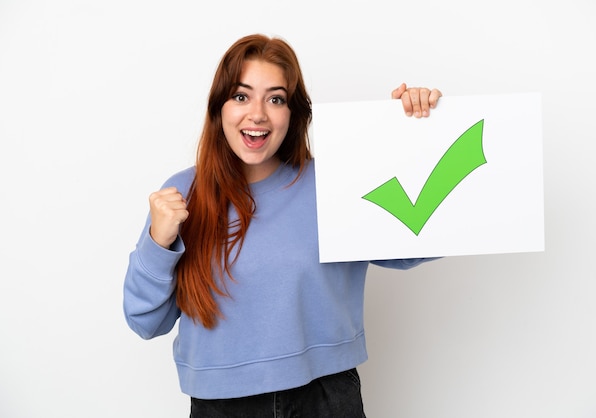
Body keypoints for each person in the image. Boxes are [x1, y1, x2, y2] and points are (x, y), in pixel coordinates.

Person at [123, 33, 442, 417]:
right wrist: (159, 243)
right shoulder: (182, 194)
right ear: (218, 107)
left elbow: (419, 243)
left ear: (292, 114)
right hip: (220, 405)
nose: (257, 113)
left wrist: (415, 133)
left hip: (324, 396)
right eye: (241, 96)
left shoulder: (335, 184)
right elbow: (145, 321)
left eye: (275, 99)